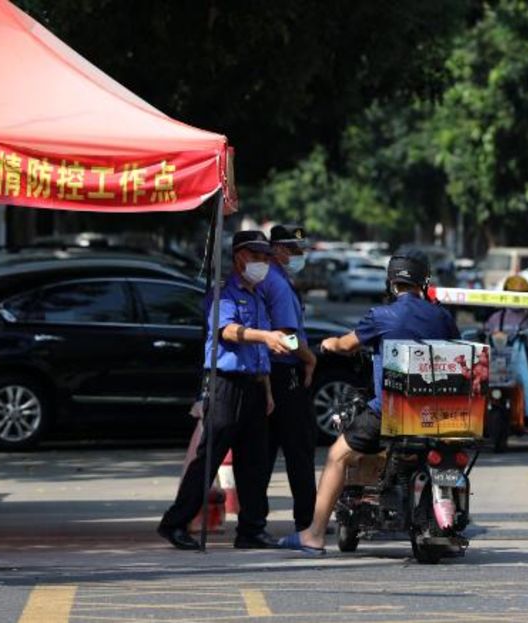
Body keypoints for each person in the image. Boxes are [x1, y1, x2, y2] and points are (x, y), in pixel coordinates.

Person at [277, 254, 459, 554]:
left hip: (392, 412)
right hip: (442, 415)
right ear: (423, 283)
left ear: (391, 283)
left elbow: (346, 345)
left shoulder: (381, 315)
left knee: (337, 455)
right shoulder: (442, 317)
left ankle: (315, 534)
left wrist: (326, 345)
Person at [157, 231, 292, 551]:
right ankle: (175, 523)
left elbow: (262, 355)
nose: (262, 263)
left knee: (255, 463)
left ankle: (252, 529)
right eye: (257, 257)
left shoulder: (258, 296)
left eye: (265, 258)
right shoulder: (224, 295)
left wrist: (268, 390)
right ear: (239, 258)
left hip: (255, 386)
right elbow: (228, 331)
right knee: (209, 457)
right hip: (226, 385)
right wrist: (266, 336)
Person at [259, 224, 319, 532]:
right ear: (278, 250)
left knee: (266, 449)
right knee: (299, 448)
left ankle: (254, 521)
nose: (300, 255)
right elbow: (287, 335)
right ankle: (307, 520)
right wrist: (310, 358)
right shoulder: (278, 284)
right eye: (294, 250)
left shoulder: (272, 278)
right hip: (284, 372)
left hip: (269, 372)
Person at [484, 275, 528, 420]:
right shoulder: (496, 317)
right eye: (513, 294)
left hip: (526, 364)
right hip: (497, 362)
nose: (517, 299)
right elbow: (486, 334)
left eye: (521, 295)